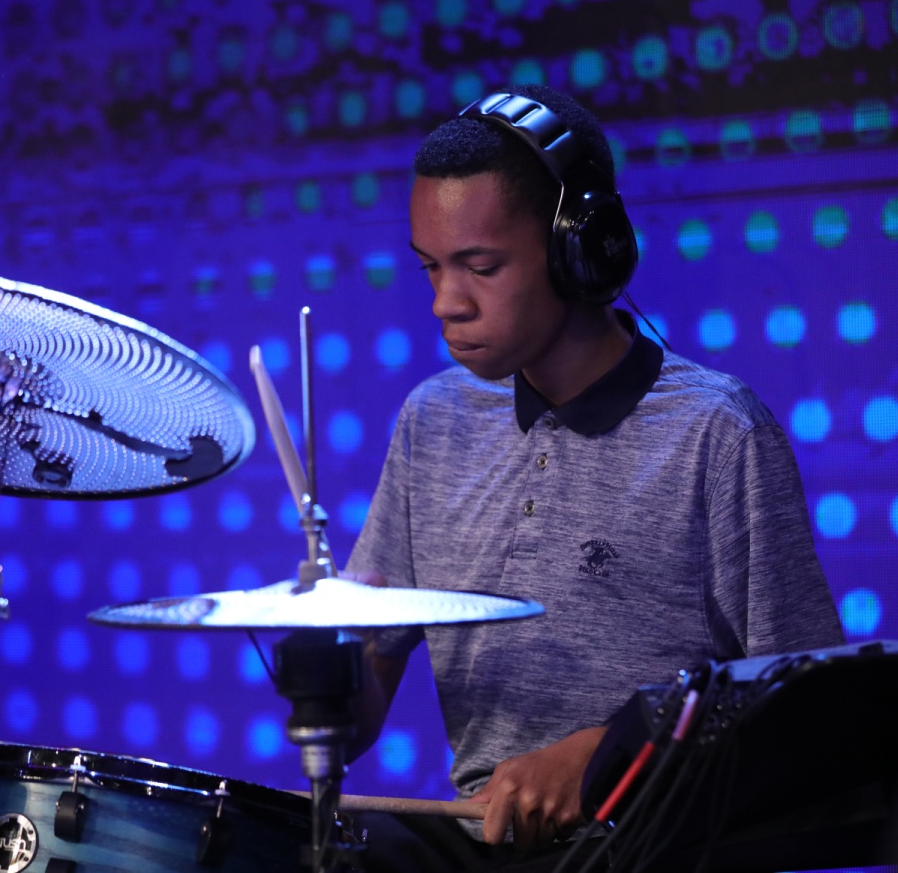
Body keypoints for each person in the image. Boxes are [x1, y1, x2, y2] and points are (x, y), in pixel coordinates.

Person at [342, 83, 844, 871]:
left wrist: (606, 755)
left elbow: (811, 716)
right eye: (430, 267)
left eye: (480, 266)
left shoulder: (717, 432)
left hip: (652, 846)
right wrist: (328, 671)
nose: (445, 303)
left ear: (584, 249)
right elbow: (357, 713)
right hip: (482, 843)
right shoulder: (431, 420)